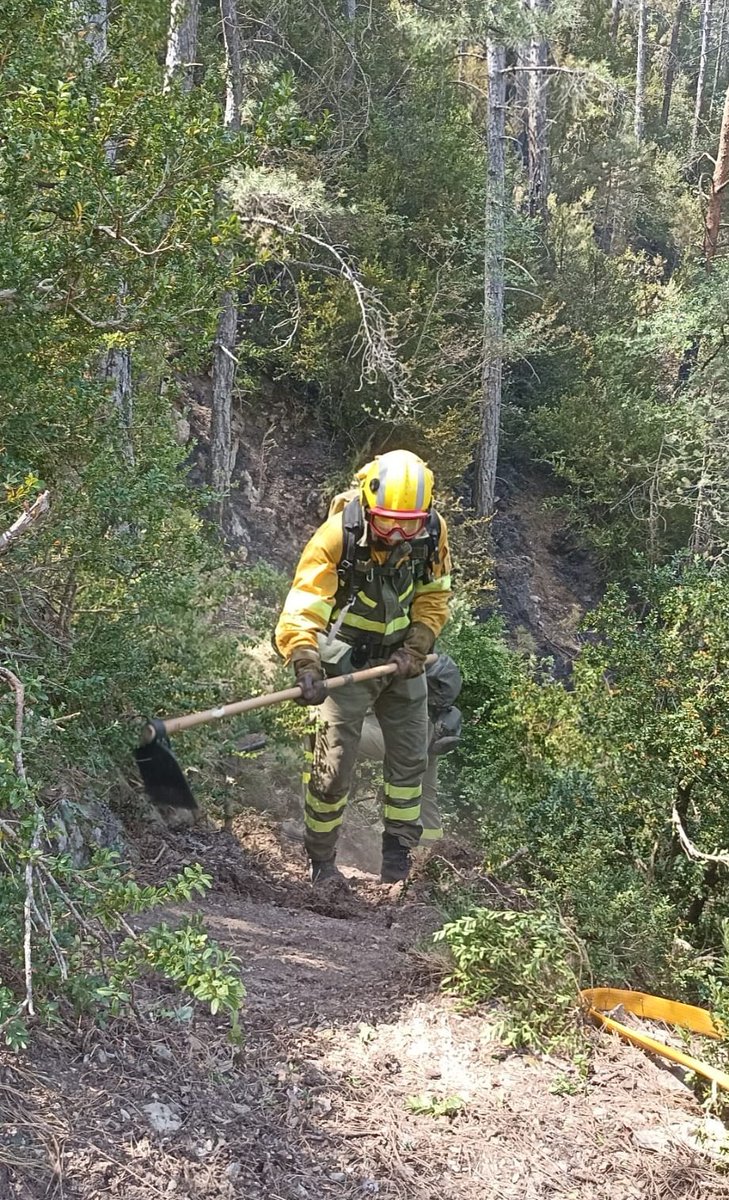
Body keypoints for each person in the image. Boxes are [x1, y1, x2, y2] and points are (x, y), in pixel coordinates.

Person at [275, 449, 452, 884]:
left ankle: (397, 862)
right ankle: (321, 863)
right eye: (388, 521)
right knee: (332, 768)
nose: (397, 533)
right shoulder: (337, 536)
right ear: (369, 505)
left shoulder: (431, 534)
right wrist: (305, 663)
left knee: (411, 760)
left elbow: (434, 597)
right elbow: (303, 610)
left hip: (401, 664)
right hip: (345, 665)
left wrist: (417, 646)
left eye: (408, 523)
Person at [356, 654, 463, 846]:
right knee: (426, 795)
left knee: (336, 732)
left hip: (405, 738)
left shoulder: (406, 669)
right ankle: (432, 850)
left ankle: (320, 819)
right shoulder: (433, 663)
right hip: (428, 738)